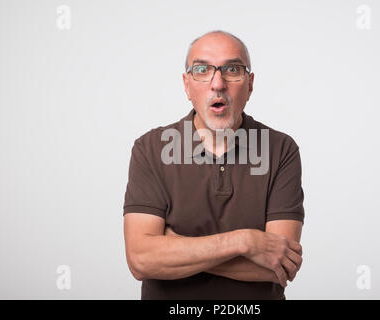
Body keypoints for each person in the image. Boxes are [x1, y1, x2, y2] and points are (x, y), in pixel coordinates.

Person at [123, 30, 305, 300]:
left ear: (250, 85)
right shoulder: (150, 149)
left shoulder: (281, 149)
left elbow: (279, 264)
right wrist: (244, 242)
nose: (217, 83)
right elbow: (141, 260)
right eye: (202, 70)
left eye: (232, 69)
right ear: (186, 85)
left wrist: (177, 249)